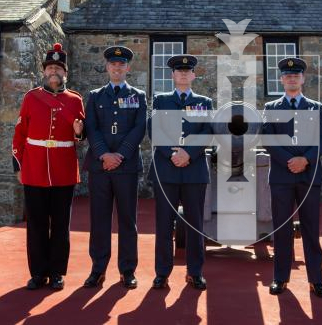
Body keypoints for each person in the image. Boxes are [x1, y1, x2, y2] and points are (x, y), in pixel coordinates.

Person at [12, 42, 85, 290]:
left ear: (65, 72)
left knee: (61, 225)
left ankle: (56, 273)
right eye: (50, 67)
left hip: (63, 169)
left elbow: (80, 134)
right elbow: (20, 134)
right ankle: (38, 273)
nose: (54, 71)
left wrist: (78, 133)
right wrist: (18, 166)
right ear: (44, 71)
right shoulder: (31, 98)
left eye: (58, 68)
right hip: (34, 169)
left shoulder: (75, 100)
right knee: (36, 224)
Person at [262, 57, 322, 298]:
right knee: (282, 229)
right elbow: (268, 139)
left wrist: (305, 160)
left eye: (296, 75)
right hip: (281, 176)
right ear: (281, 79)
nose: (292, 78)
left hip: (309, 176)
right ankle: (280, 278)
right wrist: (289, 161)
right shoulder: (271, 109)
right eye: (288, 75)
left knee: (312, 229)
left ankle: (316, 280)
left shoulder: (315, 107)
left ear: (302, 79)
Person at [82, 46, 147, 289]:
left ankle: (127, 270)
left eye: (122, 64)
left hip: (126, 166)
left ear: (128, 68)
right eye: (113, 64)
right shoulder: (96, 95)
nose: (117, 68)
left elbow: (139, 128)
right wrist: (104, 155)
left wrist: (119, 155)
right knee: (99, 220)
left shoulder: (138, 96)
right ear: (107, 67)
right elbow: (91, 126)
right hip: (100, 167)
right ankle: (97, 269)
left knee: (127, 220)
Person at [148, 54, 213, 290]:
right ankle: (162, 273)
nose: (184, 74)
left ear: (194, 75)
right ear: (173, 75)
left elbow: (208, 131)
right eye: (179, 71)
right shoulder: (161, 100)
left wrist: (189, 153)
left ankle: (195, 272)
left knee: (195, 225)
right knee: (164, 224)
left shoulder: (204, 102)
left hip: (194, 171)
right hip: (166, 170)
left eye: (188, 71)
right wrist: (171, 154)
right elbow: (154, 129)